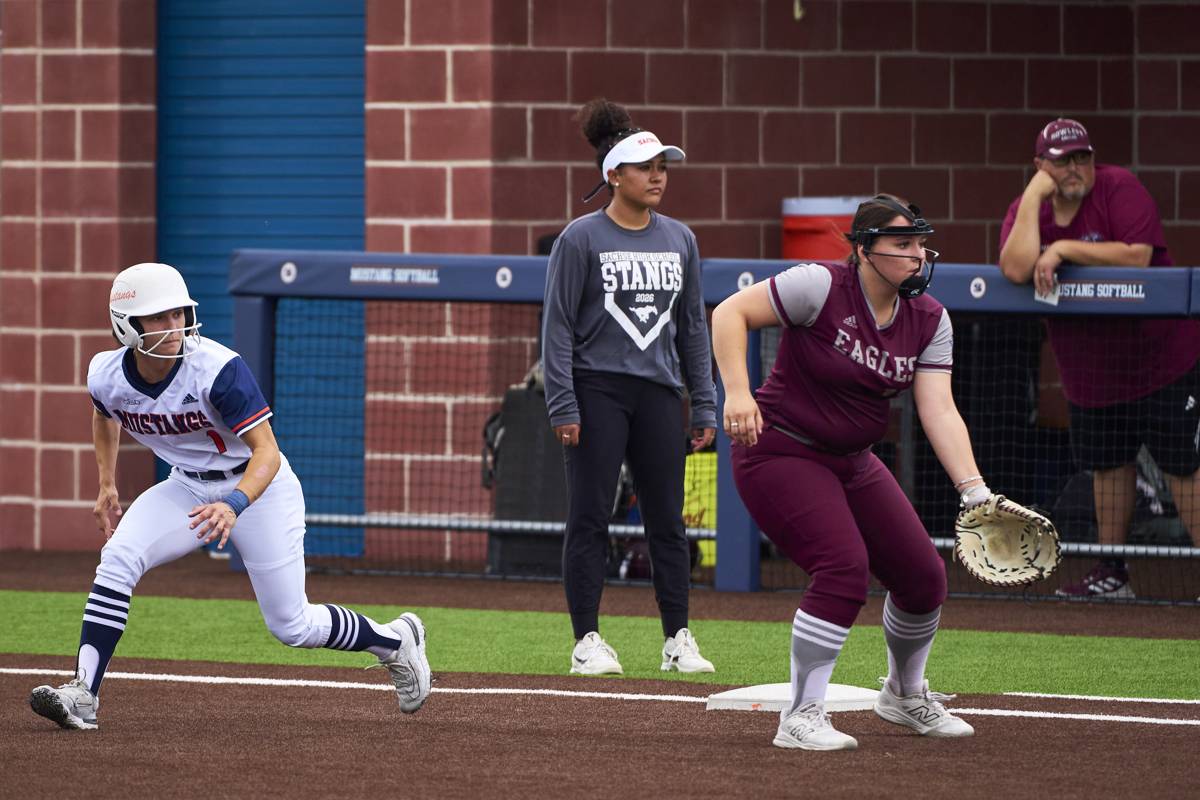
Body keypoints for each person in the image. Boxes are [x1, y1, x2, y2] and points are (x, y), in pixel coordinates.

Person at [28, 262, 432, 730]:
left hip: (258, 488)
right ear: (127, 326)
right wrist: (106, 482)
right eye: (158, 317)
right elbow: (104, 414)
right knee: (117, 559)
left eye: (178, 314)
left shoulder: (217, 368)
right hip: (187, 484)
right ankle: (83, 694)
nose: (174, 326)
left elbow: (269, 453)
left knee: (292, 626)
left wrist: (235, 503)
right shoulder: (105, 373)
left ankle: (395, 641)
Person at [712, 195, 983, 750]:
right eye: (902, 244)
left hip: (852, 460)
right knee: (842, 567)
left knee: (923, 576)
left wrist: (974, 490)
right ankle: (801, 716)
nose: (917, 255)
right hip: (778, 449)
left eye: (920, 244)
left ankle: (904, 697)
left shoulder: (931, 317)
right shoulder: (820, 284)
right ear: (863, 250)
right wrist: (738, 392)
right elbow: (728, 313)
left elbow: (938, 408)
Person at [541, 98, 718, 676]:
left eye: (663, 166)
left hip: (660, 395)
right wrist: (563, 403)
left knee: (667, 520)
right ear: (614, 174)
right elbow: (558, 327)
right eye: (646, 167)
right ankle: (587, 641)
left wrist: (704, 402)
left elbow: (693, 325)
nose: (658, 175)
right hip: (597, 393)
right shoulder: (579, 238)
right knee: (590, 517)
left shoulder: (681, 240)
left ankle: (678, 639)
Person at [998, 118, 1200, 599]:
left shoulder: (1117, 187)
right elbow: (1014, 266)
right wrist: (1032, 196)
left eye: (1082, 157)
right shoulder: (1032, 208)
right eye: (1063, 159)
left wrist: (1063, 249)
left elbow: (1138, 256)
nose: (1075, 168)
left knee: (1182, 467)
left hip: (1160, 361)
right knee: (1109, 469)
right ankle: (1113, 573)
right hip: (1091, 374)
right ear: (1041, 166)